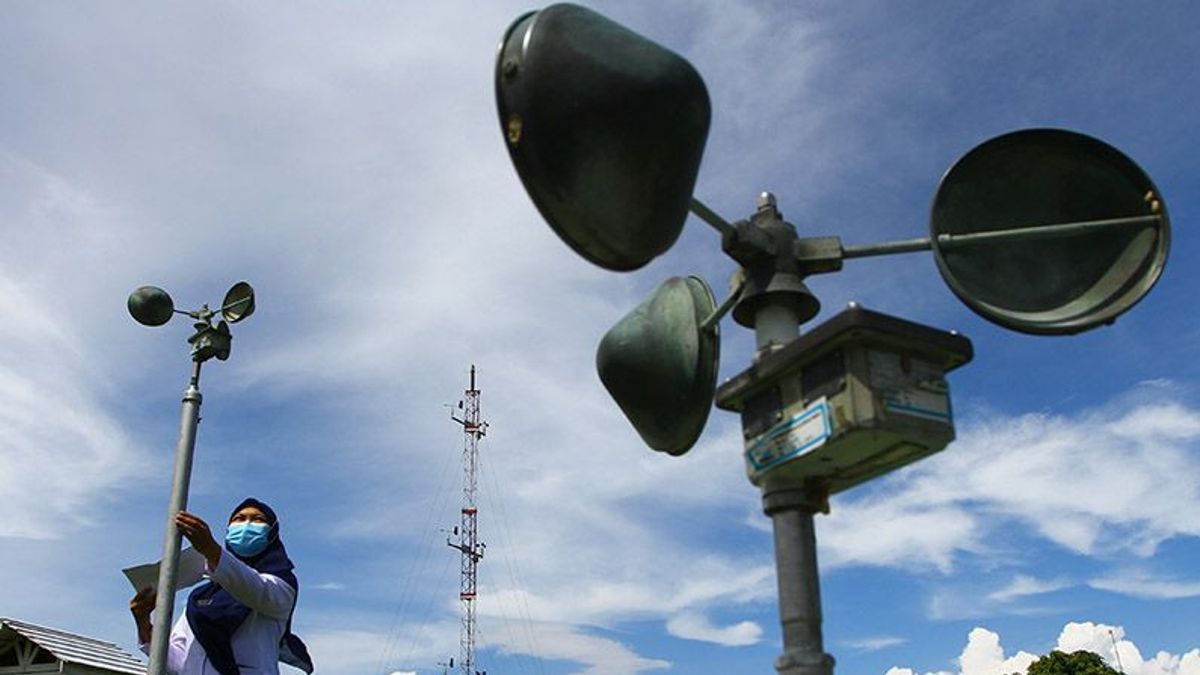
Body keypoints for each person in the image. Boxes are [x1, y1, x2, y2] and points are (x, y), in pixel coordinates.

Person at [129, 498, 313, 675]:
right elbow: (179, 663)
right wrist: (144, 622)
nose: (246, 525)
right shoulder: (199, 599)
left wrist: (210, 550)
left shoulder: (281, 587)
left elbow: (255, 588)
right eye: (239, 519)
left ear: (272, 533)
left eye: (257, 519)